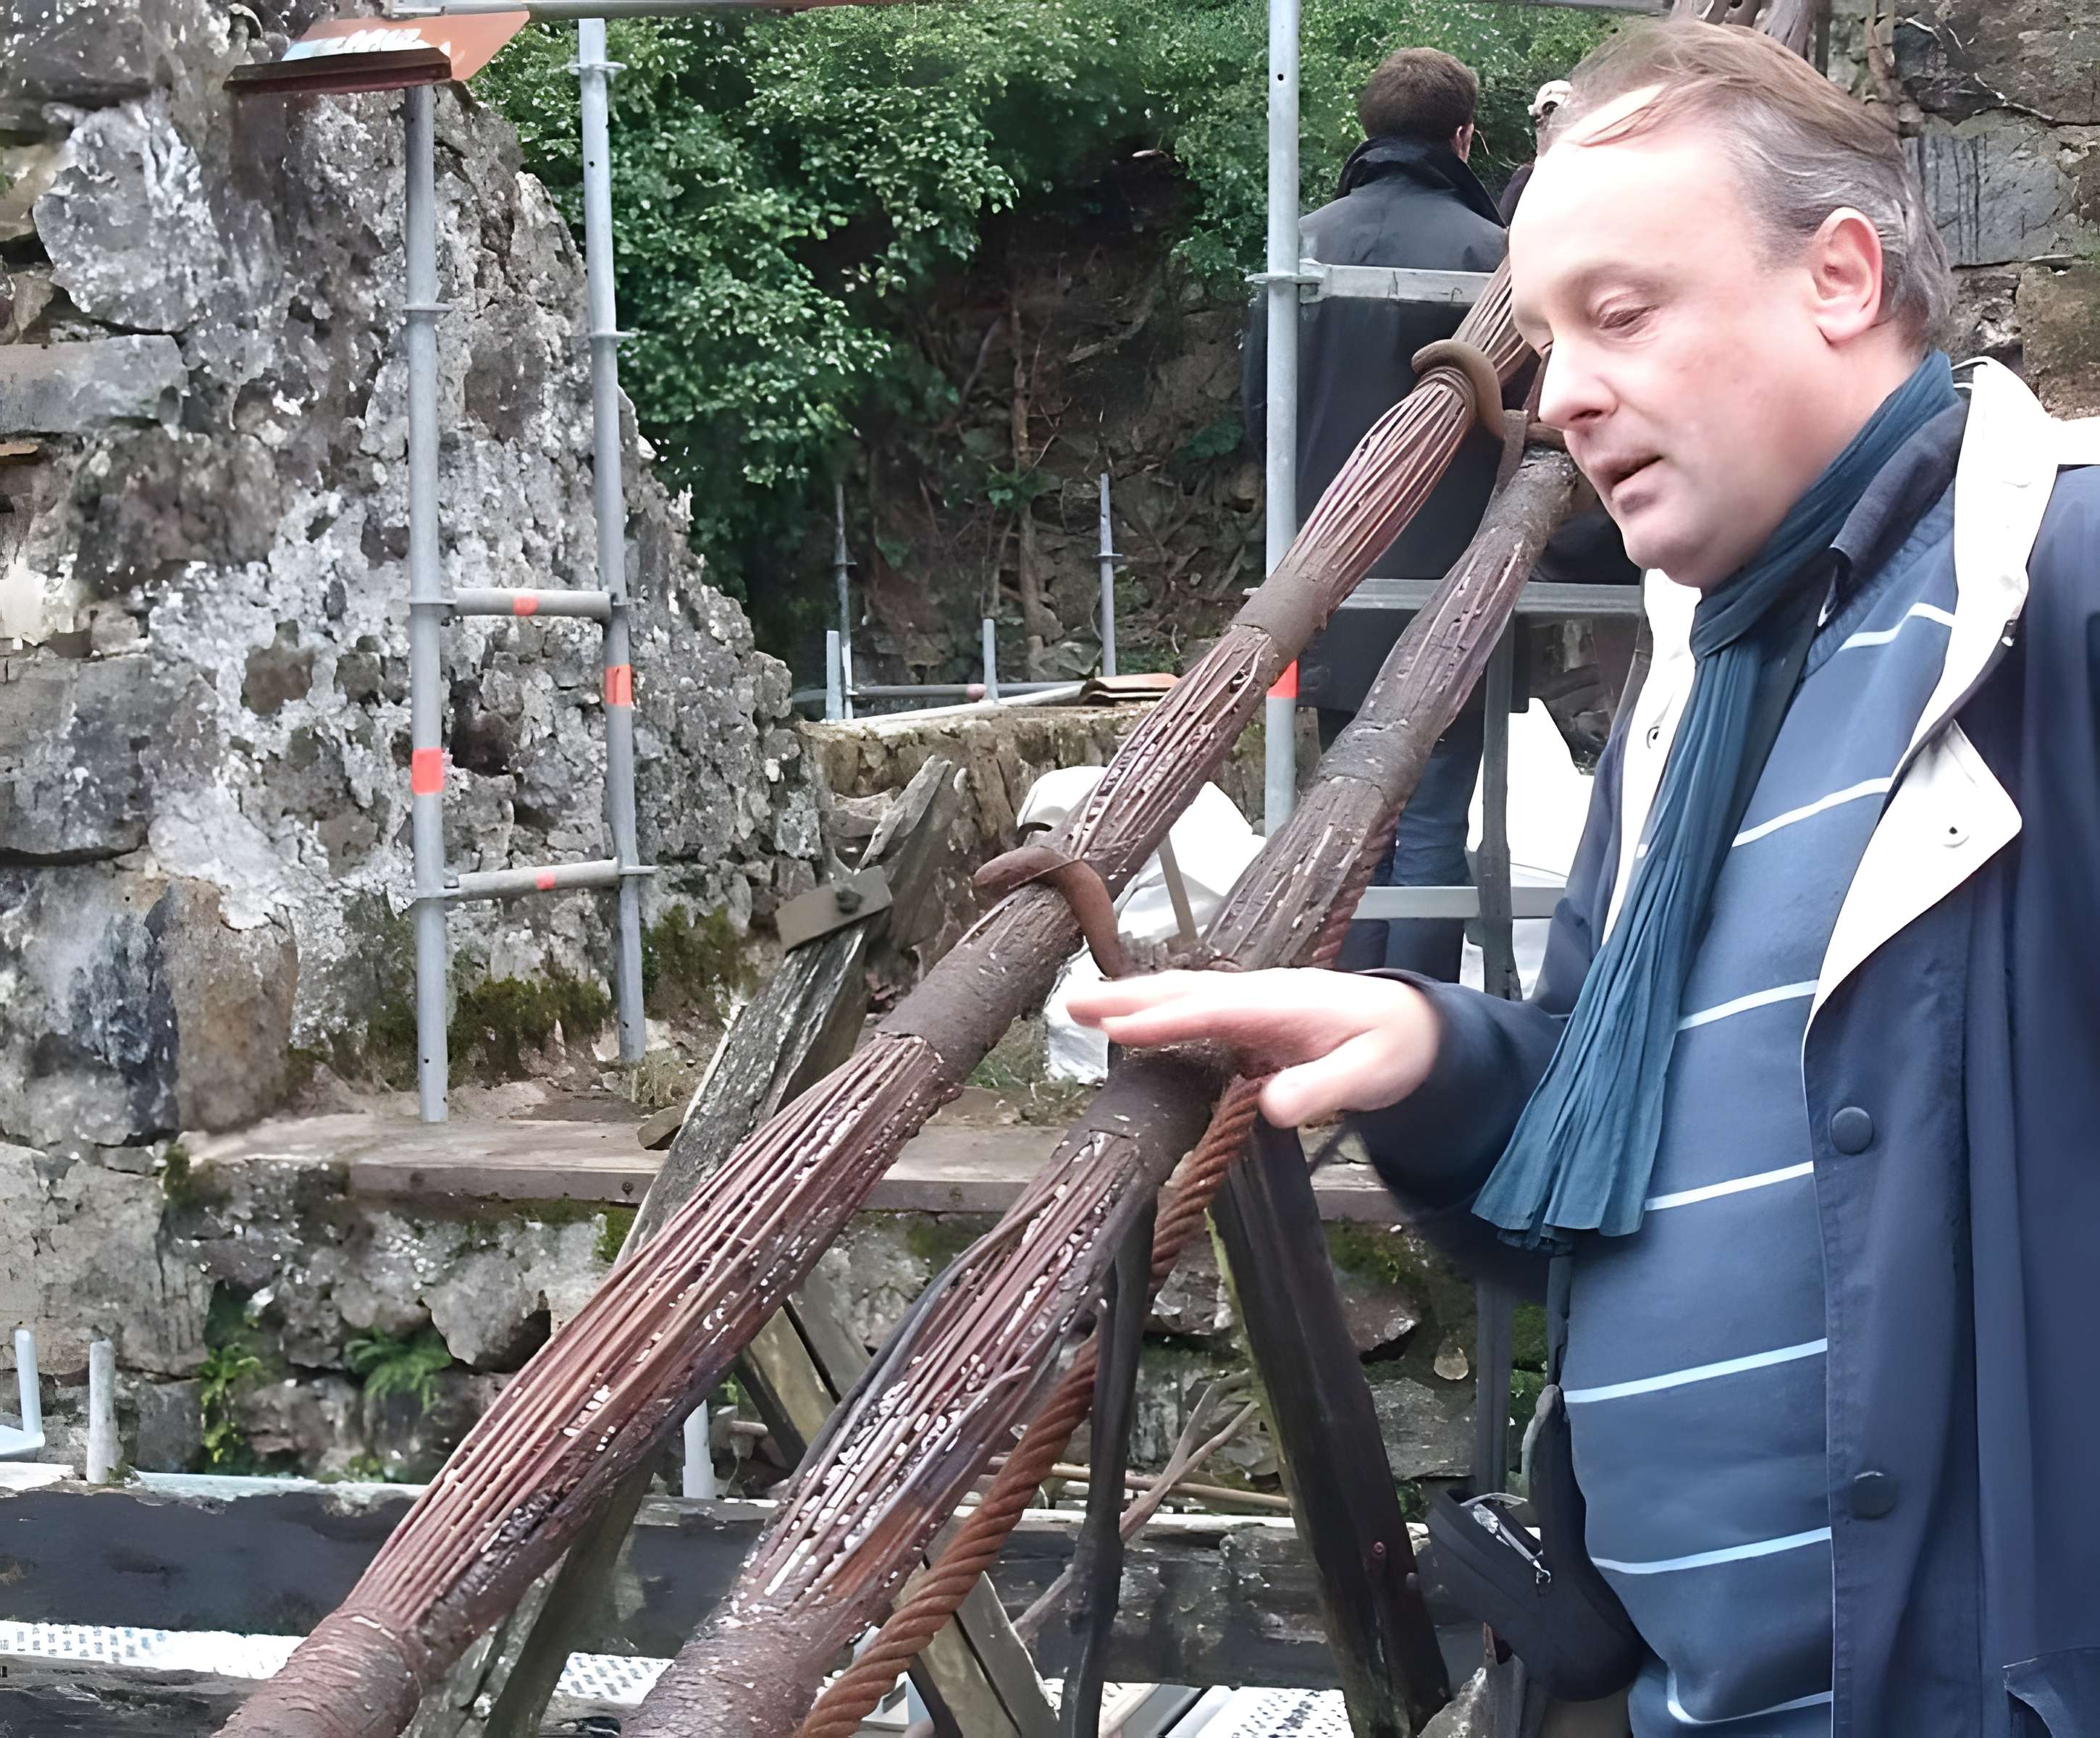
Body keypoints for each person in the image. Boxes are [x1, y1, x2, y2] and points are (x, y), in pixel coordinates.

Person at [1083, 20, 2100, 1738]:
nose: (1553, 398)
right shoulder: (1699, 683)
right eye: (1543, 338)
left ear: (1840, 276)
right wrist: (1427, 1051)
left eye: (1616, 316)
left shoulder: (2049, 600)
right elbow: (1604, 1162)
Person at [1243, 46, 1508, 980]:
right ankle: (1419, 1035)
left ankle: (1340, 1015)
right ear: (1464, 137)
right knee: (1436, 811)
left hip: (1329, 580)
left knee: (1353, 813)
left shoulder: (1299, 245)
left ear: (1367, 131)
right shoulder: (1494, 259)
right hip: (1457, 584)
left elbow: (1260, 420)